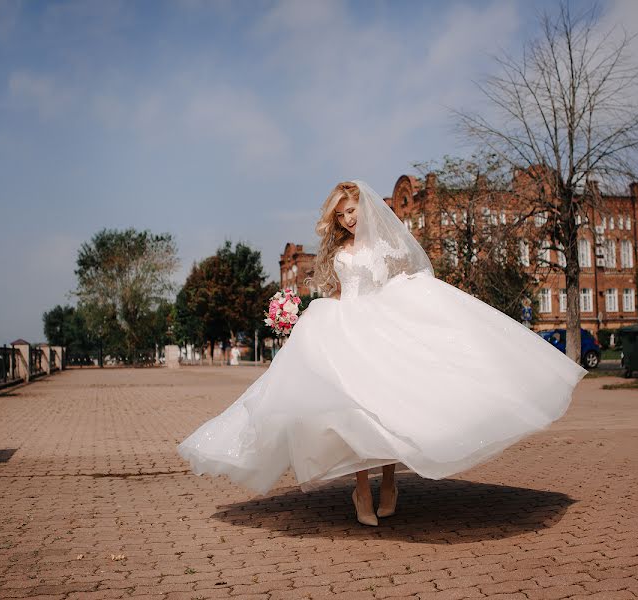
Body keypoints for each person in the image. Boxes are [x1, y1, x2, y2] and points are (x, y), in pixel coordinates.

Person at [177, 180, 588, 527]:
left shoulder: (386, 249)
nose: (348, 219)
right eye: (341, 215)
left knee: (388, 405)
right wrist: (294, 313)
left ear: (365, 208)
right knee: (351, 409)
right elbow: (338, 292)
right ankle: (360, 490)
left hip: (380, 325)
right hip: (344, 326)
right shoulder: (338, 253)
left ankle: (388, 480)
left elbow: (408, 277)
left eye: (352, 211)